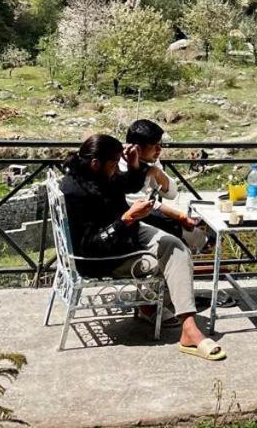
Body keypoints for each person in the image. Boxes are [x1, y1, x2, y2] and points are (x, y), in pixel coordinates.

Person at [59, 134, 226, 361]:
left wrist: (133, 164)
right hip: (105, 257)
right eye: (113, 164)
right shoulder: (75, 192)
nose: (116, 170)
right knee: (170, 262)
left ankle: (188, 327)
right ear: (96, 163)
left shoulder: (97, 173)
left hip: (127, 235)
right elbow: (89, 248)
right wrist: (127, 219)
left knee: (176, 247)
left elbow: (129, 184)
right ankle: (152, 306)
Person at [120, 119, 208, 251]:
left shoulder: (150, 160)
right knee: (179, 232)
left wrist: (157, 173)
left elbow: (171, 193)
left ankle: (201, 244)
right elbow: (141, 203)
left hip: (145, 213)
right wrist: (180, 217)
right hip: (127, 219)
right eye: (154, 145)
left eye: (160, 144)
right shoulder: (120, 166)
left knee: (183, 229)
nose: (159, 149)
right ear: (137, 148)